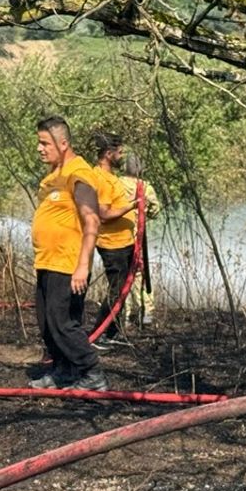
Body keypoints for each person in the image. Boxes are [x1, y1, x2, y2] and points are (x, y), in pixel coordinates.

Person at [29, 116, 109, 391]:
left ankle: (91, 372)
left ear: (63, 143)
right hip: (47, 261)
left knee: (62, 323)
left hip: (67, 262)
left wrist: (83, 266)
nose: (39, 148)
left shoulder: (79, 173)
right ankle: (64, 371)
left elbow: (93, 220)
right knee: (47, 323)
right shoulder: (54, 177)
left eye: (44, 143)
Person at [89, 133, 137, 348]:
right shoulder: (99, 179)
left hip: (124, 242)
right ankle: (98, 334)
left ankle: (112, 333)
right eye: (120, 152)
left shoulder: (111, 177)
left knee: (123, 290)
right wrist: (132, 205)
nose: (122, 156)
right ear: (108, 154)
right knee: (117, 290)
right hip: (112, 245)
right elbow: (104, 214)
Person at [117, 151, 160, 327]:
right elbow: (155, 209)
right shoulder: (145, 187)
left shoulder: (116, 183)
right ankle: (147, 312)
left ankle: (125, 315)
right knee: (141, 275)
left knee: (122, 275)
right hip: (138, 238)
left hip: (119, 236)